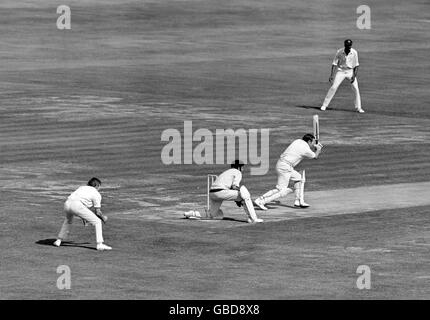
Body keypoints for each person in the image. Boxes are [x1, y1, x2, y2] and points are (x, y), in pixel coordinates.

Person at [254, 134, 322, 210]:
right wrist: (318, 149)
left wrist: (315, 148)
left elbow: (308, 152)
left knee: (299, 178)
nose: (313, 144)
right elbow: (315, 156)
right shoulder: (305, 149)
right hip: (285, 167)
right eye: (313, 142)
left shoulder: (297, 141)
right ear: (309, 141)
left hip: (282, 165)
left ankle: (297, 201)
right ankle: (261, 201)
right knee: (282, 190)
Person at [184, 160, 263, 223]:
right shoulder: (237, 172)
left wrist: (237, 199)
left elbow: (230, 187)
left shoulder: (227, 172)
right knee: (245, 194)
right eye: (242, 167)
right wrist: (239, 199)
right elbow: (235, 186)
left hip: (212, 193)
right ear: (238, 167)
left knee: (212, 214)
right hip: (221, 192)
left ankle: (191, 213)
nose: (243, 169)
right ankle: (253, 218)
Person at [53, 177, 112, 251]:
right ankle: (99, 244)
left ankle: (58, 240)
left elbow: (79, 202)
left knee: (68, 221)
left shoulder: (82, 188)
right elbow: (98, 212)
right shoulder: (96, 193)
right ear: (97, 186)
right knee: (97, 221)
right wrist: (103, 218)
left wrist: (83, 217)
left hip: (67, 204)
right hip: (77, 206)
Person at [320, 39, 364, 113]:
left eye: (349, 46)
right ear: (344, 45)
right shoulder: (339, 52)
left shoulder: (354, 52)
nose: (348, 47)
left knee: (356, 88)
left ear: (351, 46)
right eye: (347, 46)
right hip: (341, 71)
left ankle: (358, 108)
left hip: (350, 71)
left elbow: (356, 65)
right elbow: (334, 64)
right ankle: (324, 105)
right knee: (334, 87)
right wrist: (332, 75)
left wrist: (354, 76)